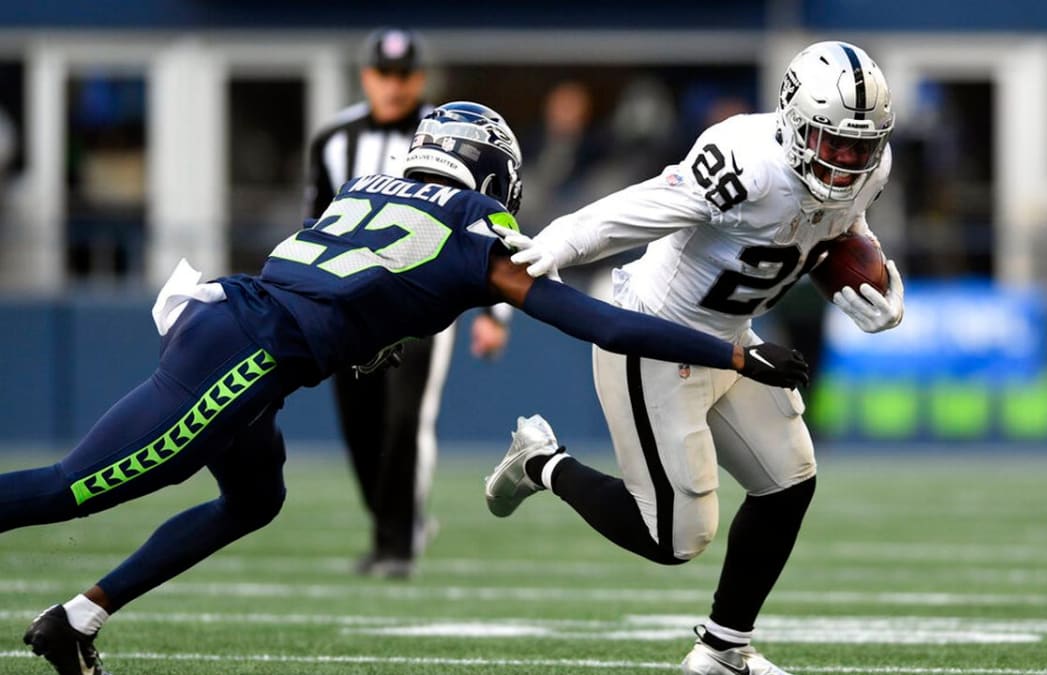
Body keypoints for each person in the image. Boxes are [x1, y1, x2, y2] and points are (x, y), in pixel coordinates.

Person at [6, 100, 809, 675]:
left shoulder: (362, 190)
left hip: (231, 318)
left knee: (254, 500)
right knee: (72, 488)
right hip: (243, 357)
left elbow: (334, 279)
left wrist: (370, 335)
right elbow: (605, 324)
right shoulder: (474, 231)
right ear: (493, 173)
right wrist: (735, 359)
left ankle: (75, 620)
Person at [483, 41, 905, 675]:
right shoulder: (744, 161)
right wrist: (558, 245)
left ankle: (723, 649)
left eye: (859, 146)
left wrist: (878, 283)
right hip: (655, 334)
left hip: (734, 337)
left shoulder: (871, 166)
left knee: (789, 479)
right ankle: (542, 462)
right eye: (832, 143)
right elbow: (636, 209)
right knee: (676, 537)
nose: (847, 160)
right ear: (793, 121)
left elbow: (840, 225)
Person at [306, 27, 510, 577]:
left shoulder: (455, 134)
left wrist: (495, 311)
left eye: (404, 75)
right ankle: (393, 524)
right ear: (366, 77)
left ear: (420, 78)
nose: (394, 86)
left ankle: (397, 544)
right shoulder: (333, 140)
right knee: (359, 422)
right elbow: (316, 224)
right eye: (383, 74)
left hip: (424, 300)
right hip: (349, 298)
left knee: (405, 418)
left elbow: (496, 220)